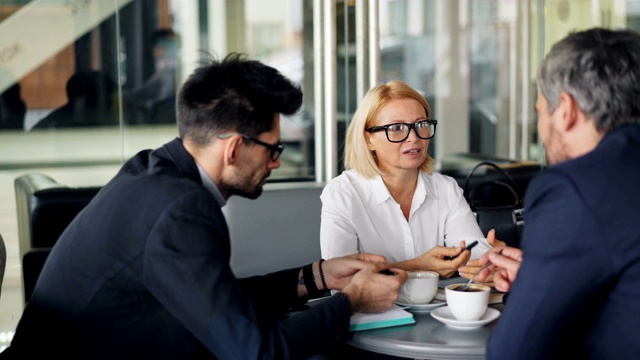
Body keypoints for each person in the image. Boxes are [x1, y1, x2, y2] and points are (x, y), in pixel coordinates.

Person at [1, 53, 407, 359]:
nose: (277, 162)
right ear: (233, 148)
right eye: (272, 149)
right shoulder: (181, 209)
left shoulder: (154, 169)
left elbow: (217, 300)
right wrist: (351, 301)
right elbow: (254, 352)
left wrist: (317, 277)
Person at [474, 28, 640, 359]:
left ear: (565, 109)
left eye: (539, 111)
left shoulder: (574, 187)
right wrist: (544, 274)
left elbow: (513, 352)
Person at [320, 80, 500, 279]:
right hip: (370, 310)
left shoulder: (446, 188)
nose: (414, 137)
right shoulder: (342, 194)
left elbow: (473, 256)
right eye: (396, 127)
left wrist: (486, 261)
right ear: (368, 139)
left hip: (436, 308)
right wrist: (416, 266)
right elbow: (338, 279)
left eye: (421, 125)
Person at [33, 71, 118, 129]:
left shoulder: (52, 123)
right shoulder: (54, 128)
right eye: (106, 101)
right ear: (83, 100)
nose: (110, 108)